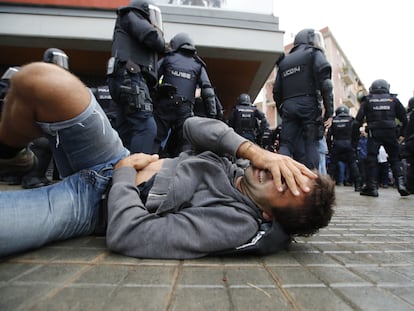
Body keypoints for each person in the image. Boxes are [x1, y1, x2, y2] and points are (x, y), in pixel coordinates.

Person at [0, 62, 335, 259]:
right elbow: (191, 127)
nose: (277, 171)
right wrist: (253, 150)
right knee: (38, 79)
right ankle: (13, 157)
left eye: (285, 185)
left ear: (268, 214)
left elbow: (129, 234)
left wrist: (124, 177)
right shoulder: (236, 165)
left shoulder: (237, 222)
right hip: (110, 157)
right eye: (289, 169)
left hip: (90, 202)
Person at [107, 0, 166, 154]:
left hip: (126, 79)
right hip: (130, 78)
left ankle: (120, 173)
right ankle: (137, 174)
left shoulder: (129, 20)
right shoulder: (130, 14)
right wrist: (165, 47)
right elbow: (153, 37)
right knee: (146, 127)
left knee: (125, 130)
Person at [273, 28, 333, 170]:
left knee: (286, 145)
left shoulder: (284, 62)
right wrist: (329, 113)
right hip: (309, 104)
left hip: (288, 106)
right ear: (310, 39)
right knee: (310, 143)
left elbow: (276, 91)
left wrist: (283, 111)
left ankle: (282, 177)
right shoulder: (314, 53)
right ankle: (311, 181)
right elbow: (327, 84)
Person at [153, 32, 219, 157]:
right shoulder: (198, 64)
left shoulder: (168, 58)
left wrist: (154, 98)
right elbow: (208, 91)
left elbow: (152, 79)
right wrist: (212, 116)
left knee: (156, 140)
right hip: (185, 109)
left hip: (164, 106)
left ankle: (149, 166)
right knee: (185, 144)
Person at [355, 79, 409, 197]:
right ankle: (401, 185)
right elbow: (404, 119)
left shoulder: (368, 100)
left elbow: (358, 120)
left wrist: (354, 136)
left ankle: (372, 187)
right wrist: (401, 133)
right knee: (395, 158)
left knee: (372, 159)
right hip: (390, 132)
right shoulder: (393, 99)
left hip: (374, 133)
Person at [326, 105, 362, 191]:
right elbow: (357, 134)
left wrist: (330, 148)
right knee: (352, 164)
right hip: (348, 144)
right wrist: (354, 146)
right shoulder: (351, 120)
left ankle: (327, 185)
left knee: (333, 165)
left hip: (337, 143)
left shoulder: (333, 120)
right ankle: (357, 185)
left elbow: (329, 136)